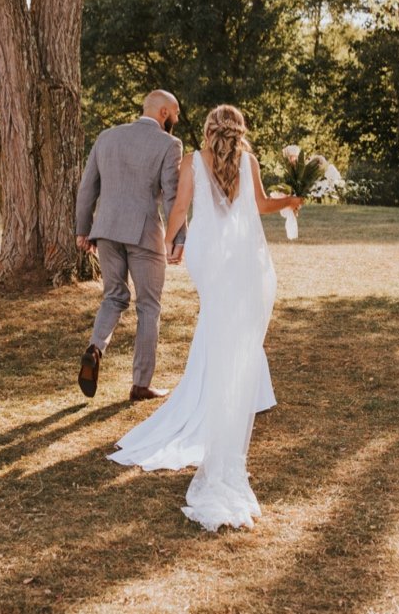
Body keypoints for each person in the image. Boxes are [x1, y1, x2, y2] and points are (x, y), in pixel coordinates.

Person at [108, 103, 302, 532]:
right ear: (240, 130)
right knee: (232, 327)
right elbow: (263, 204)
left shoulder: (192, 160)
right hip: (242, 259)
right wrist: (288, 201)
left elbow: (180, 209)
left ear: (212, 128)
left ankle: (214, 390)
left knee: (217, 322)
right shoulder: (248, 160)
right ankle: (226, 392)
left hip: (209, 256)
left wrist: (171, 240)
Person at [74, 90, 186, 402]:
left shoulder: (107, 137)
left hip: (107, 231)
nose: (176, 120)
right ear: (164, 112)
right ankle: (140, 385)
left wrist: (83, 229)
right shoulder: (169, 144)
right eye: (175, 114)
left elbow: (87, 187)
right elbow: (172, 196)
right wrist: (179, 239)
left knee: (114, 296)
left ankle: (95, 348)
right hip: (144, 234)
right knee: (148, 306)